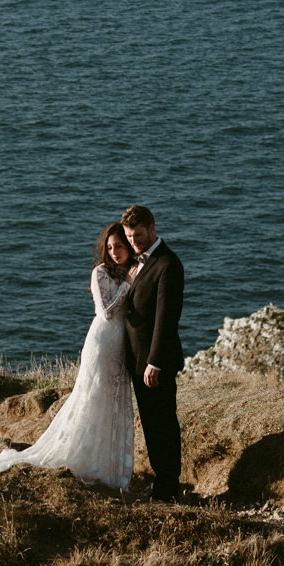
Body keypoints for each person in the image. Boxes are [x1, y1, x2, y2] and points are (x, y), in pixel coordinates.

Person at [0, 224, 138, 491]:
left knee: (112, 404)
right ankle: (84, 460)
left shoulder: (131, 270)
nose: (115, 252)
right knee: (92, 400)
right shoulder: (100, 272)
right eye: (111, 247)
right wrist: (127, 285)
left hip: (121, 346)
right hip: (102, 344)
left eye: (120, 246)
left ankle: (106, 465)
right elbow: (105, 312)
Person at [118, 204, 186, 502]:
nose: (134, 241)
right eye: (130, 236)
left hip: (155, 363)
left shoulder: (168, 264)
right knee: (150, 423)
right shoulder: (137, 262)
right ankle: (161, 482)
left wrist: (154, 362)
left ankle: (169, 487)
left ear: (152, 228)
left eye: (139, 235)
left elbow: (166, 319)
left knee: (163, 423)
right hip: (137, 360)